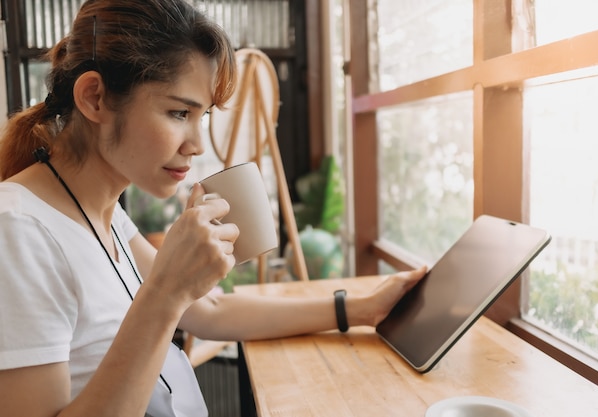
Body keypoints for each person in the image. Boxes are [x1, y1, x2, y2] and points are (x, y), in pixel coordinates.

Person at [0, 1, 427, 416]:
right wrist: (166, 291)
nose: (197, 145)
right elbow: (174, 306)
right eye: (178, 111)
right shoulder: (18, 230)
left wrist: (362, 308)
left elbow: (209, 312)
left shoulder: (103, 212)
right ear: (94, 97)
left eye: (200, 117)